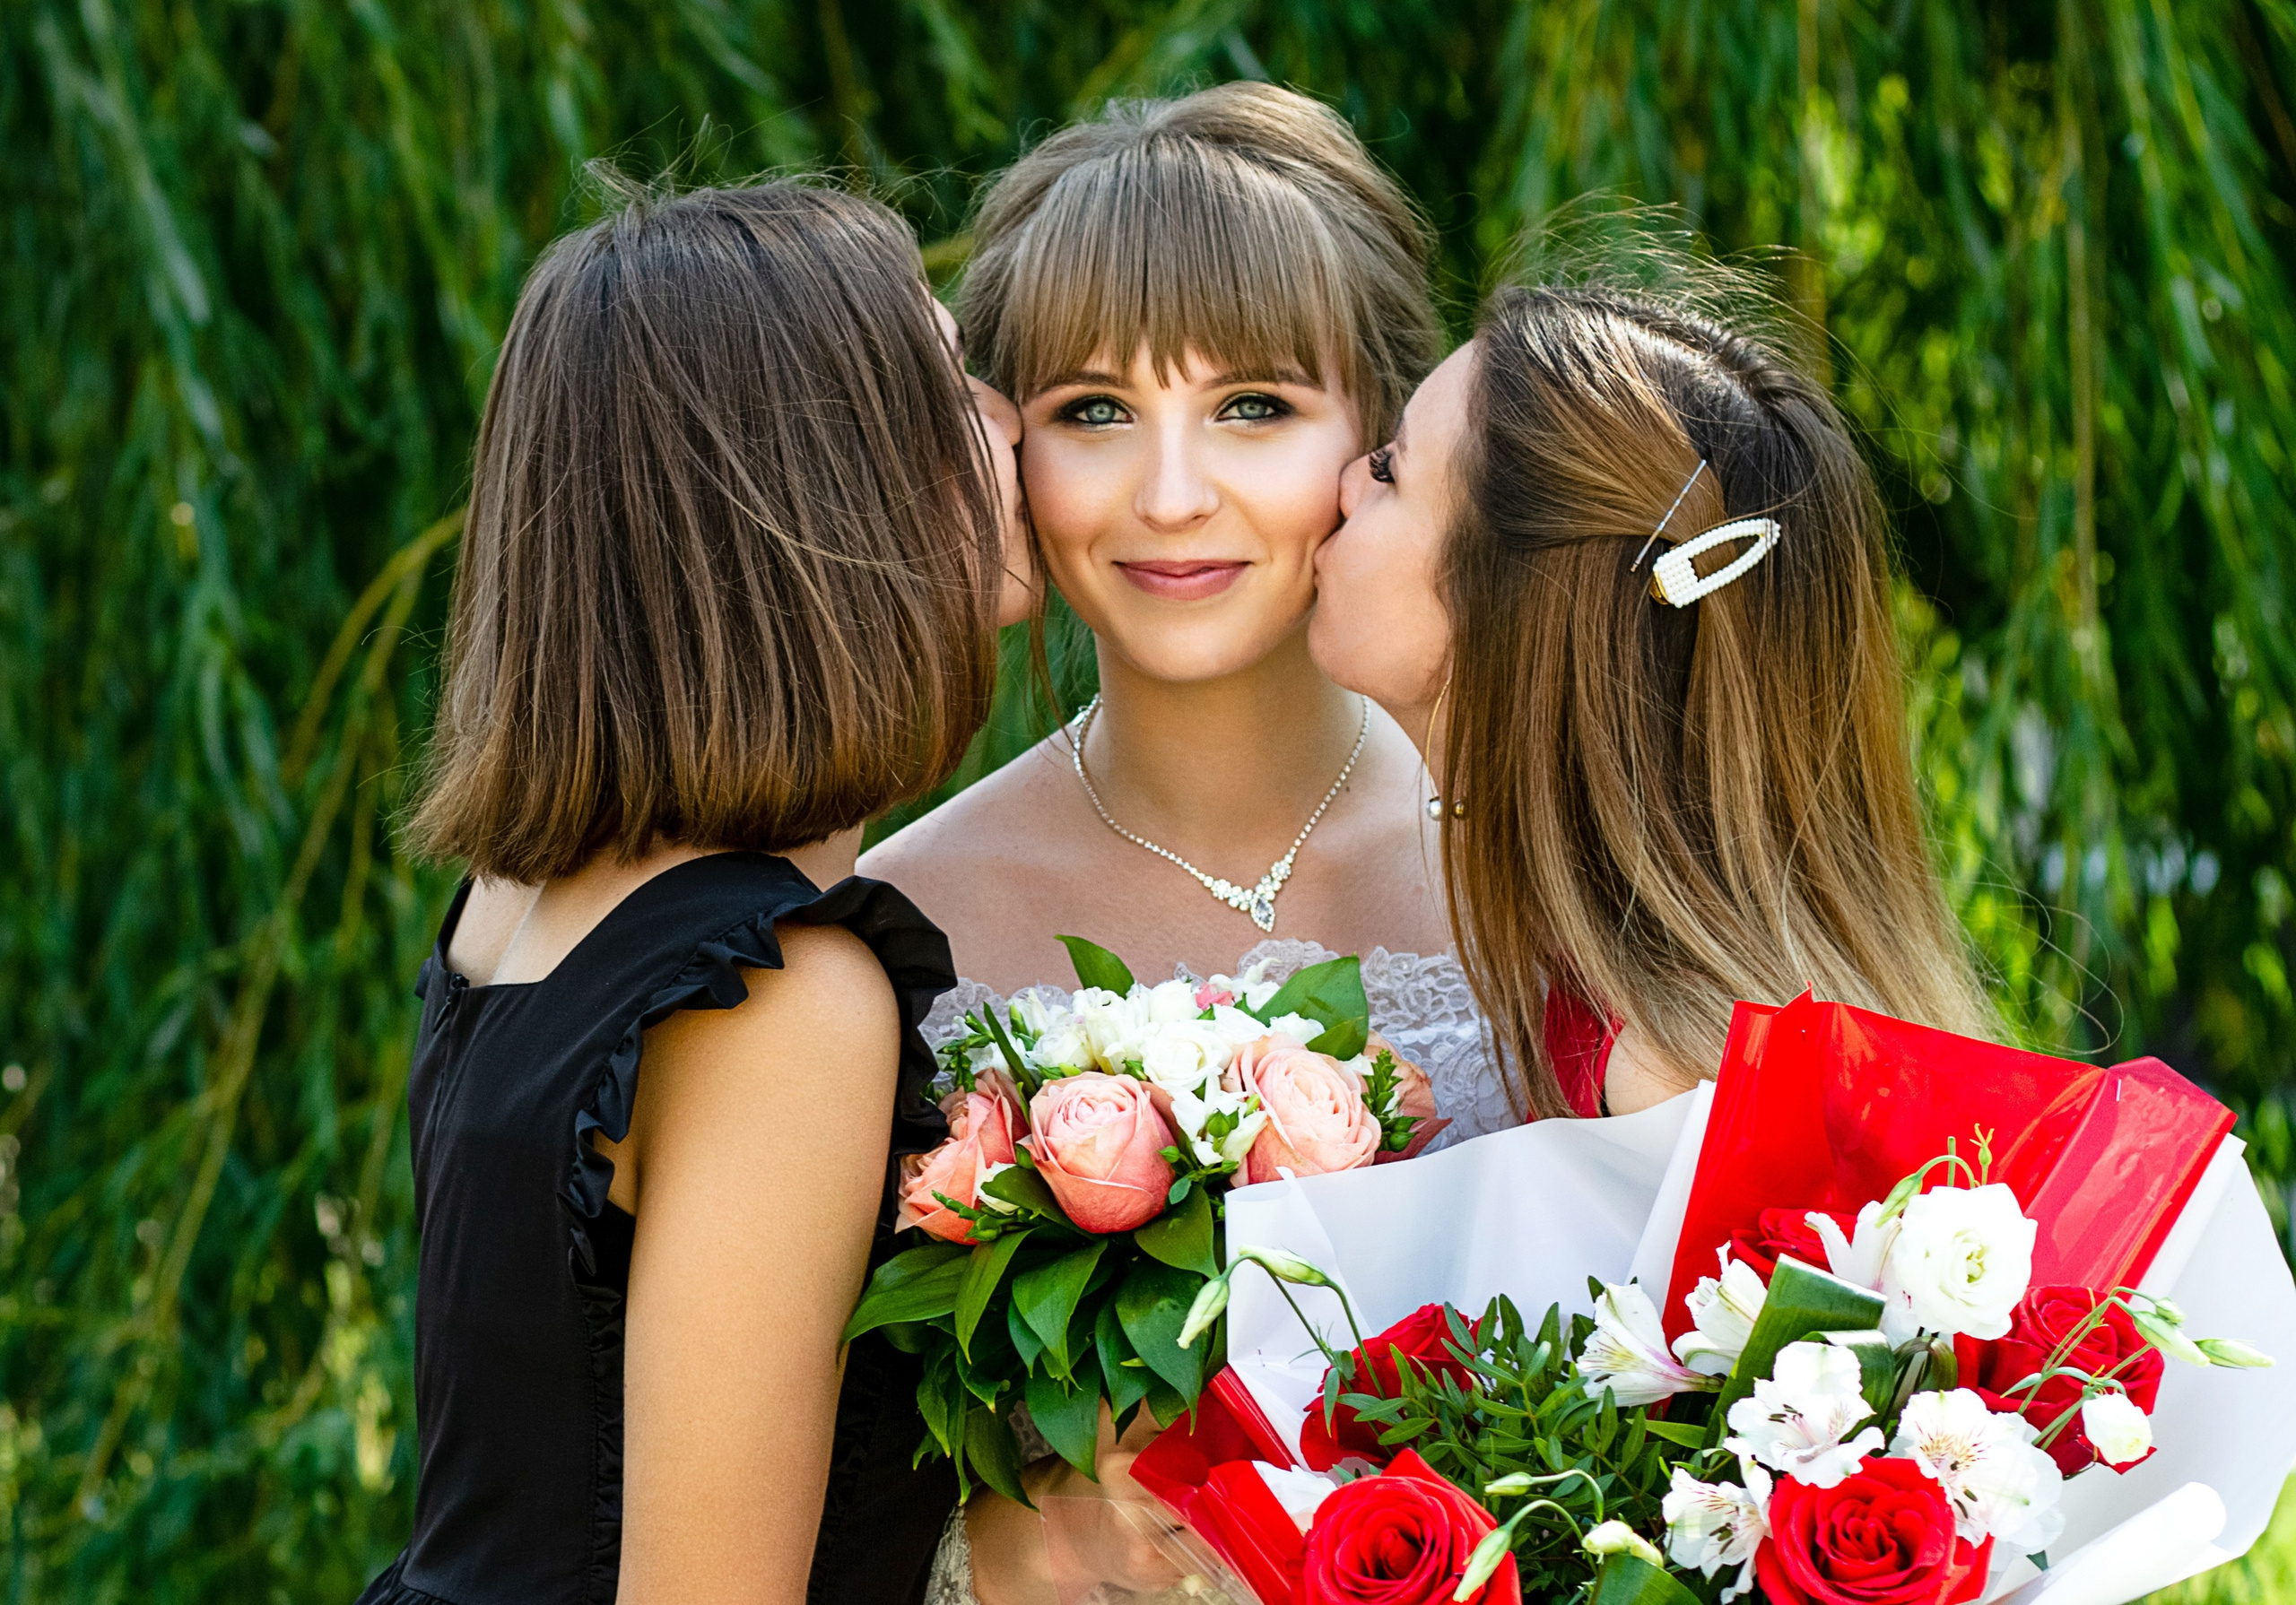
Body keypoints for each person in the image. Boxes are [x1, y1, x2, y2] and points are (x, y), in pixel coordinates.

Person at [863, 83, 1506, 1605]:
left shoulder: (1540, 871)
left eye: (1254, 409)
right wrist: (1018, 1546)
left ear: (1380, 435)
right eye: (1094, 413)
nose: (1168, 496)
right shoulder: (895, 927)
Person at [357, 178, 1031, 1605]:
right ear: (825, 482)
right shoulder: (772, 995)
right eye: (947, 385)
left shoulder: (527, 894)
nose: (1009, 417)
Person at [1309, 276, 1997, 1122]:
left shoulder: (1671, 1086)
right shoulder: (1618, 986)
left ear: (1504, 609)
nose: (1345, 482)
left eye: (1390, 470)